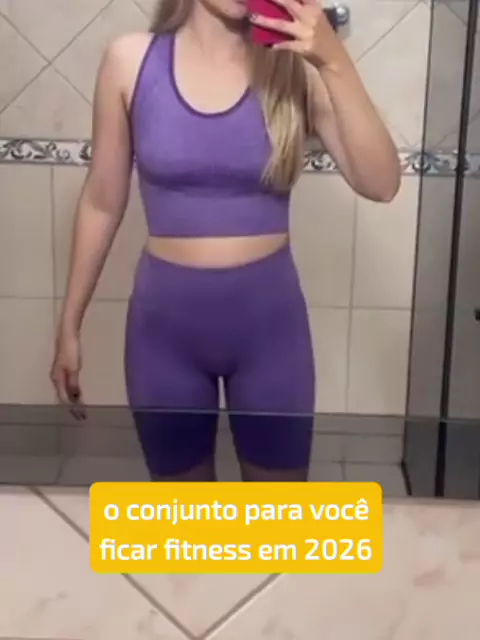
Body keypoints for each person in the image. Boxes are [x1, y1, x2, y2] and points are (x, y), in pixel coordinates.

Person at [50, 0, 400, 482]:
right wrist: (69, 325)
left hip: (271, 333)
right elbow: (102, 202)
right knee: (189, 523)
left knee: (279, 523)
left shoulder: (295, 69)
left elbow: (382, 184)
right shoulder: (129, 61)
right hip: (163, 335)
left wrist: (334, 60)